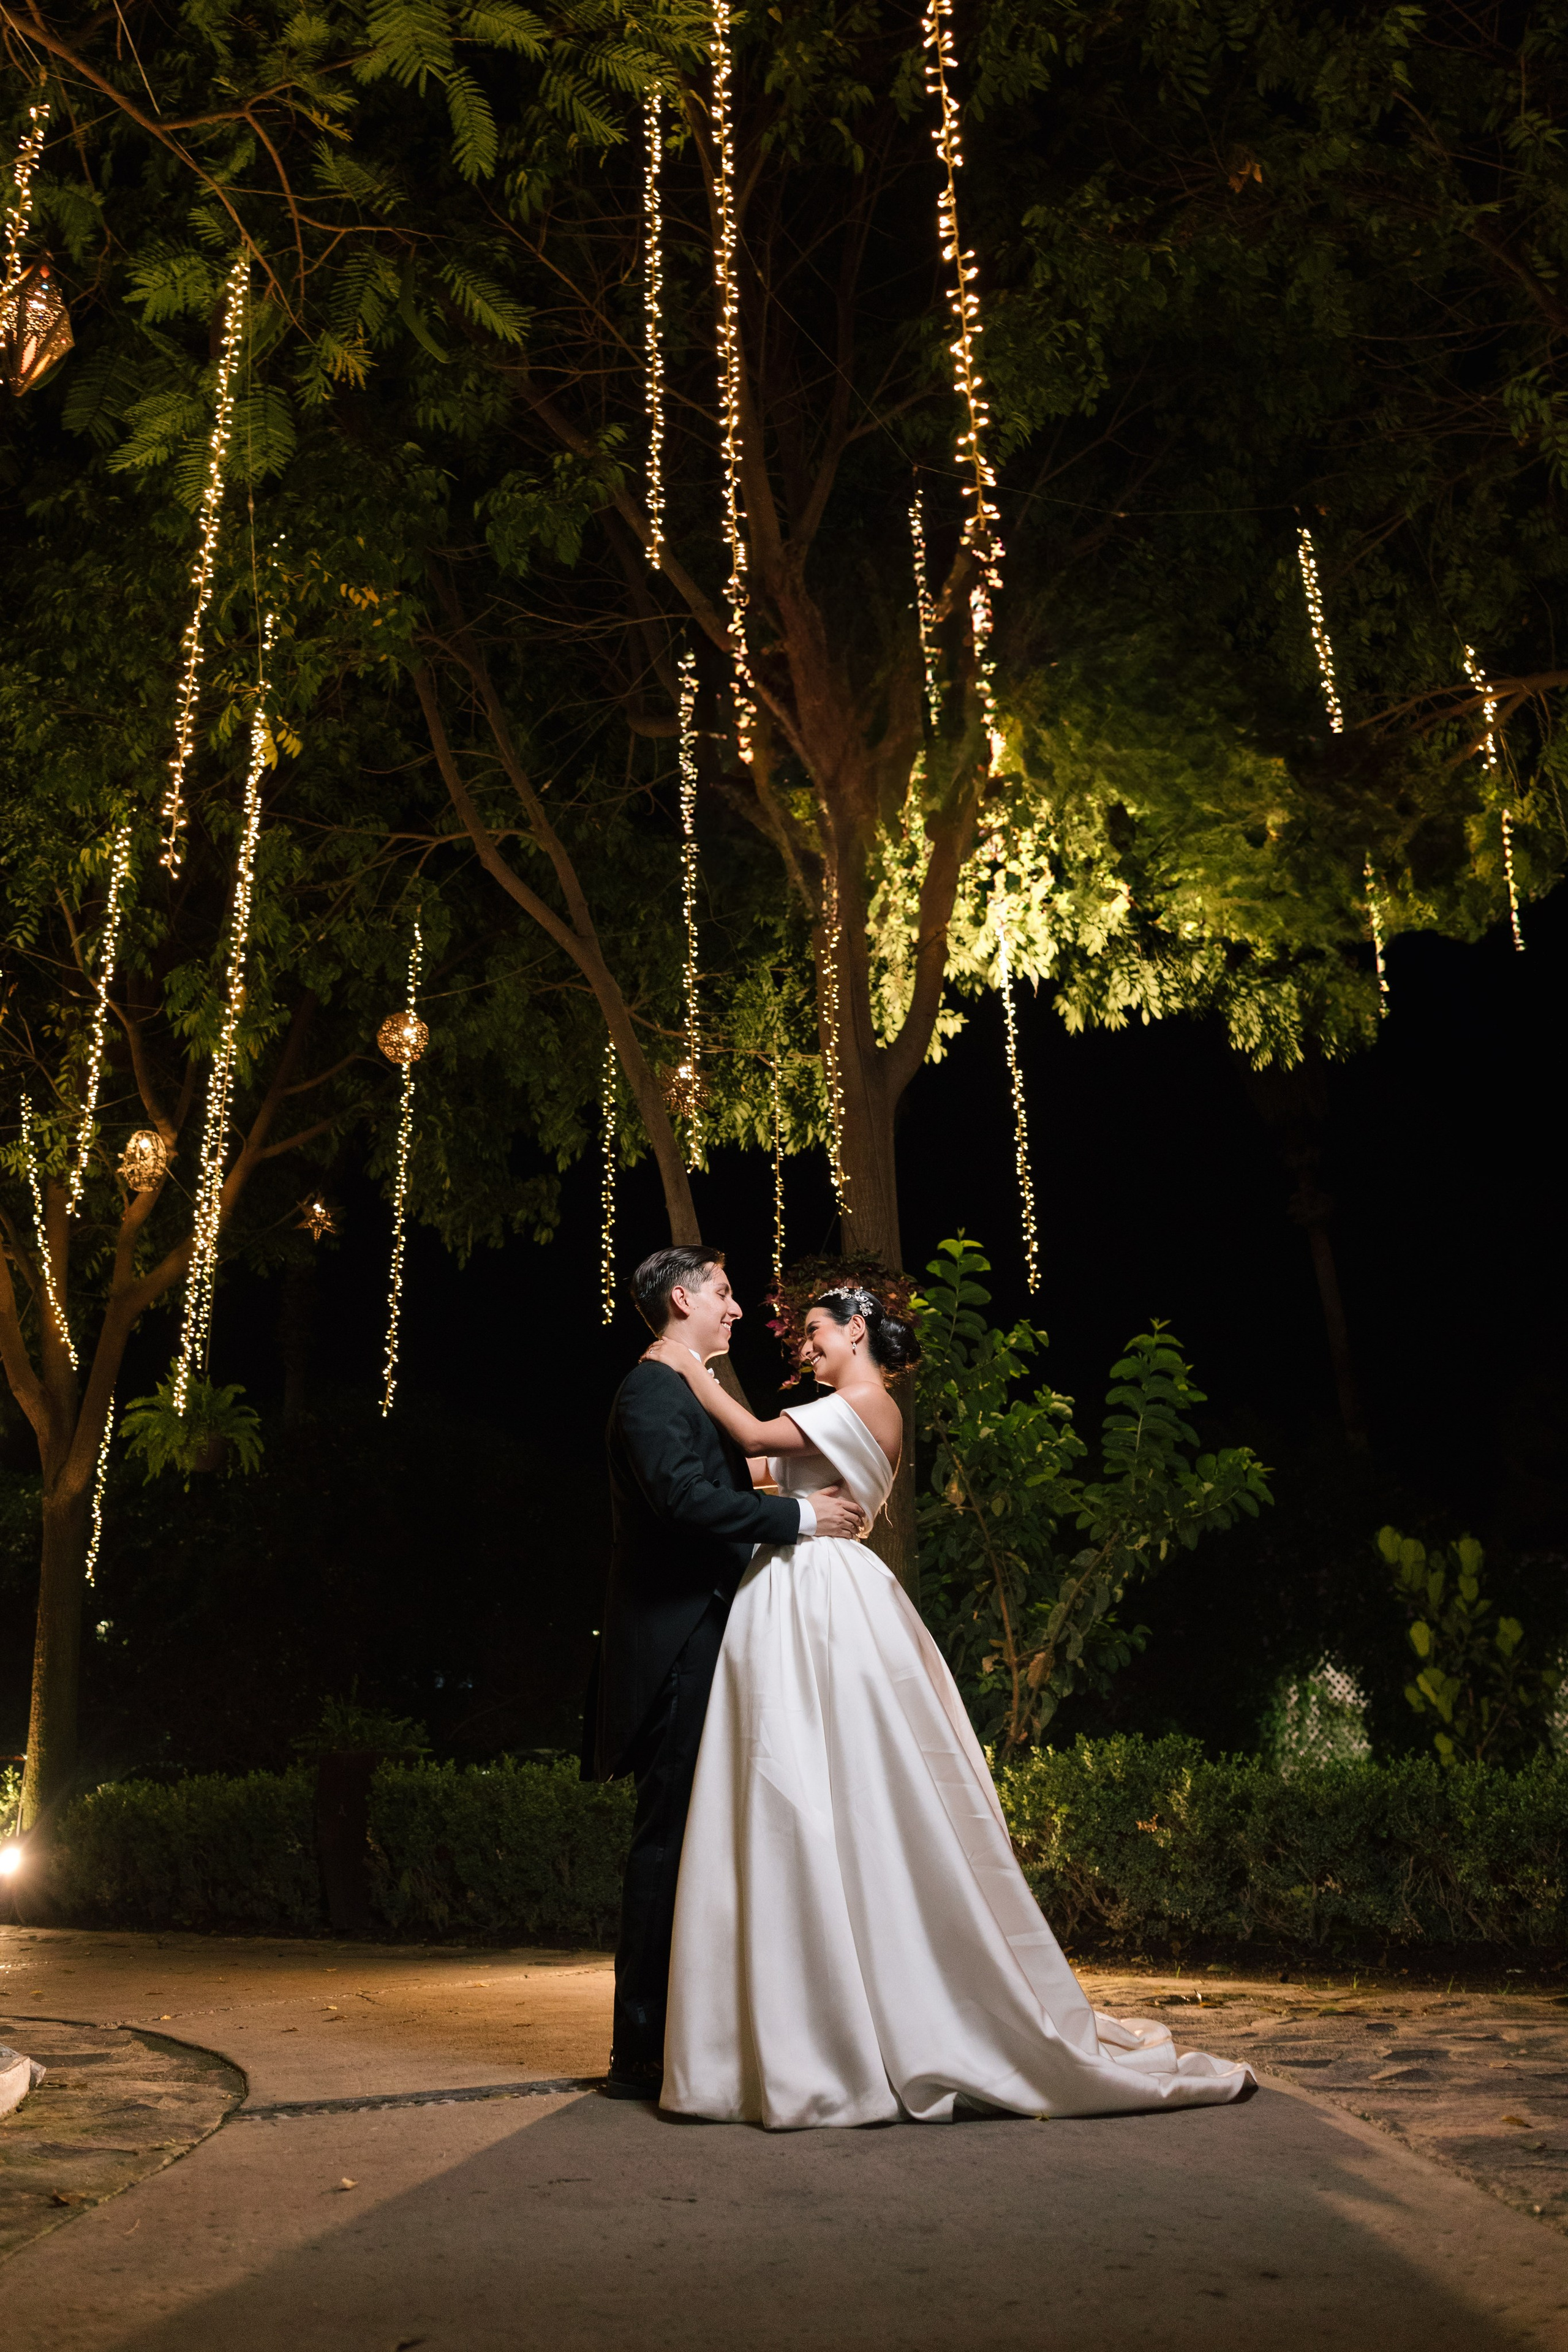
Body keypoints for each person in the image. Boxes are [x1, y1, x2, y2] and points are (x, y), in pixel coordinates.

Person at [642, 1283, 1256, 2128]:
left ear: (858, 1332)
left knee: (848, 1784)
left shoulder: (866, 1402)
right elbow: (753, 1470)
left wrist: (687, 1365)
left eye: (815, 1333)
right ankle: (791, 2020)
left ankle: (873, 2016)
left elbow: (749, 1434)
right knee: (785, 1789)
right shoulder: (826, 1410)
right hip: (782, 1598)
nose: (804, 1348)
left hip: (829, 1600)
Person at [592, 1245, 868, 2102]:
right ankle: (639, 2053)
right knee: (669, 1845)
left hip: (707, 1637)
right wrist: (799, 1515)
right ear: (682, 1300)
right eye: (723, 1292)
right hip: (675, 1648)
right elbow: (680, 1500)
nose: (737, 1307)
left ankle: (695, 2039)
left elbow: (724, 1475)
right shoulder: (649, 1392)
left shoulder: (683, 1393)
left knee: (702, 1843)